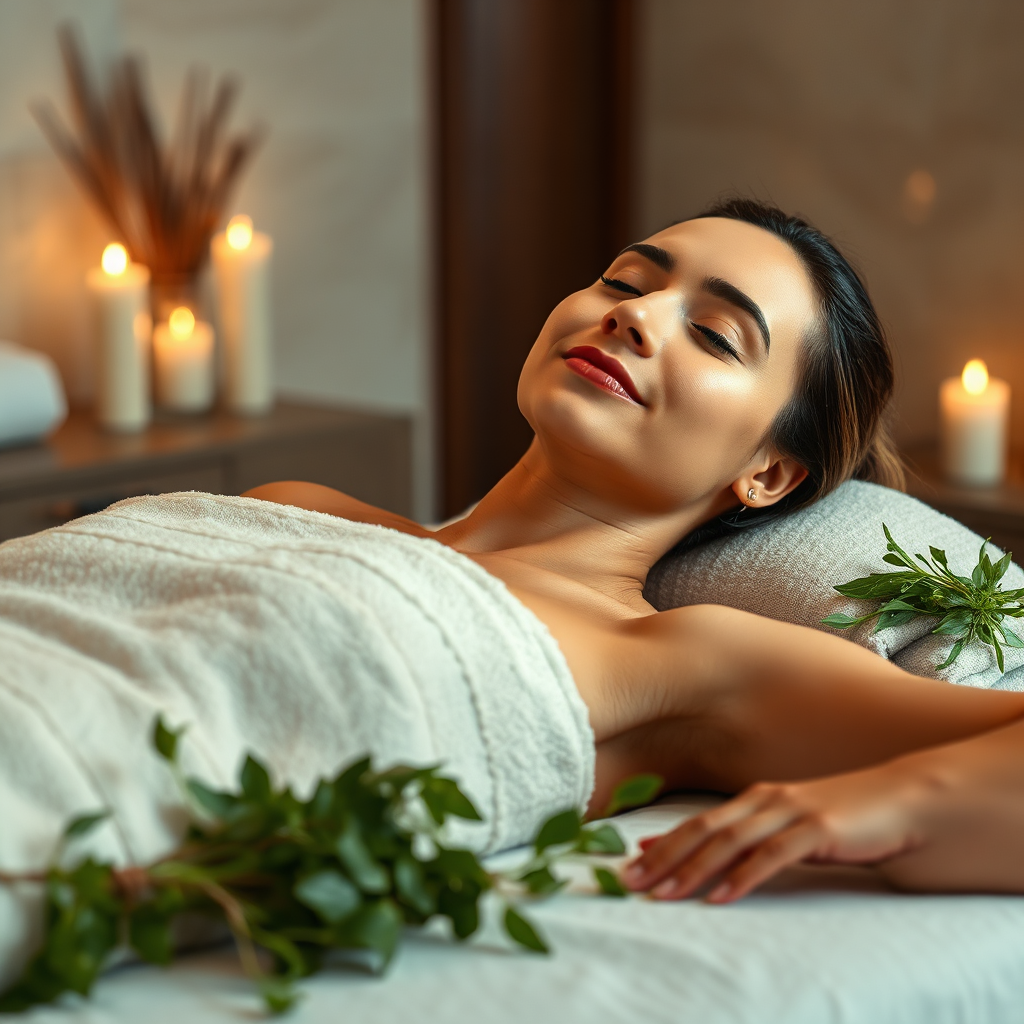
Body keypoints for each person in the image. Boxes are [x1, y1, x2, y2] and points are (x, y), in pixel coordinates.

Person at [246, 199, 1024, 900]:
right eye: (624, 282)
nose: (637, 315)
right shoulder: (290, 506)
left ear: (769, 473)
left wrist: (895, 801)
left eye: (716, 335)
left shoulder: (680, 661)